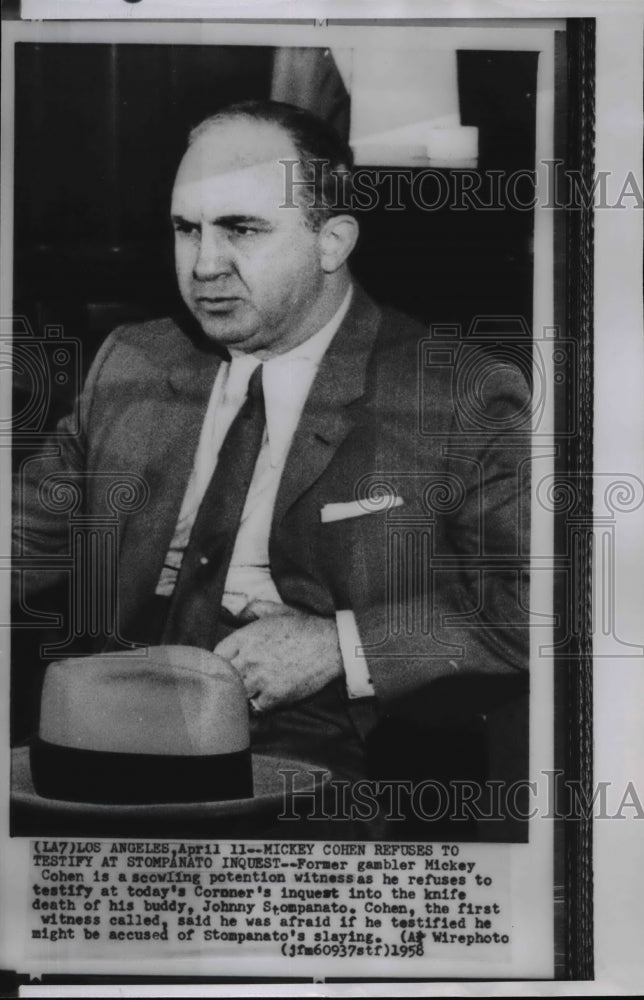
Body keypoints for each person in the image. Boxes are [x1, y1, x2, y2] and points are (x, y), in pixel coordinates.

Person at [13, 100, 530, 801]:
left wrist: (339, 647)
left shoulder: (455, 393)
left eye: (241, 229)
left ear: (333, 242)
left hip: (326, 756)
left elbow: (540, 606)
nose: (204, 265)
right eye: (186, 230)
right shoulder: (132, 362)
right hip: (110, 727)